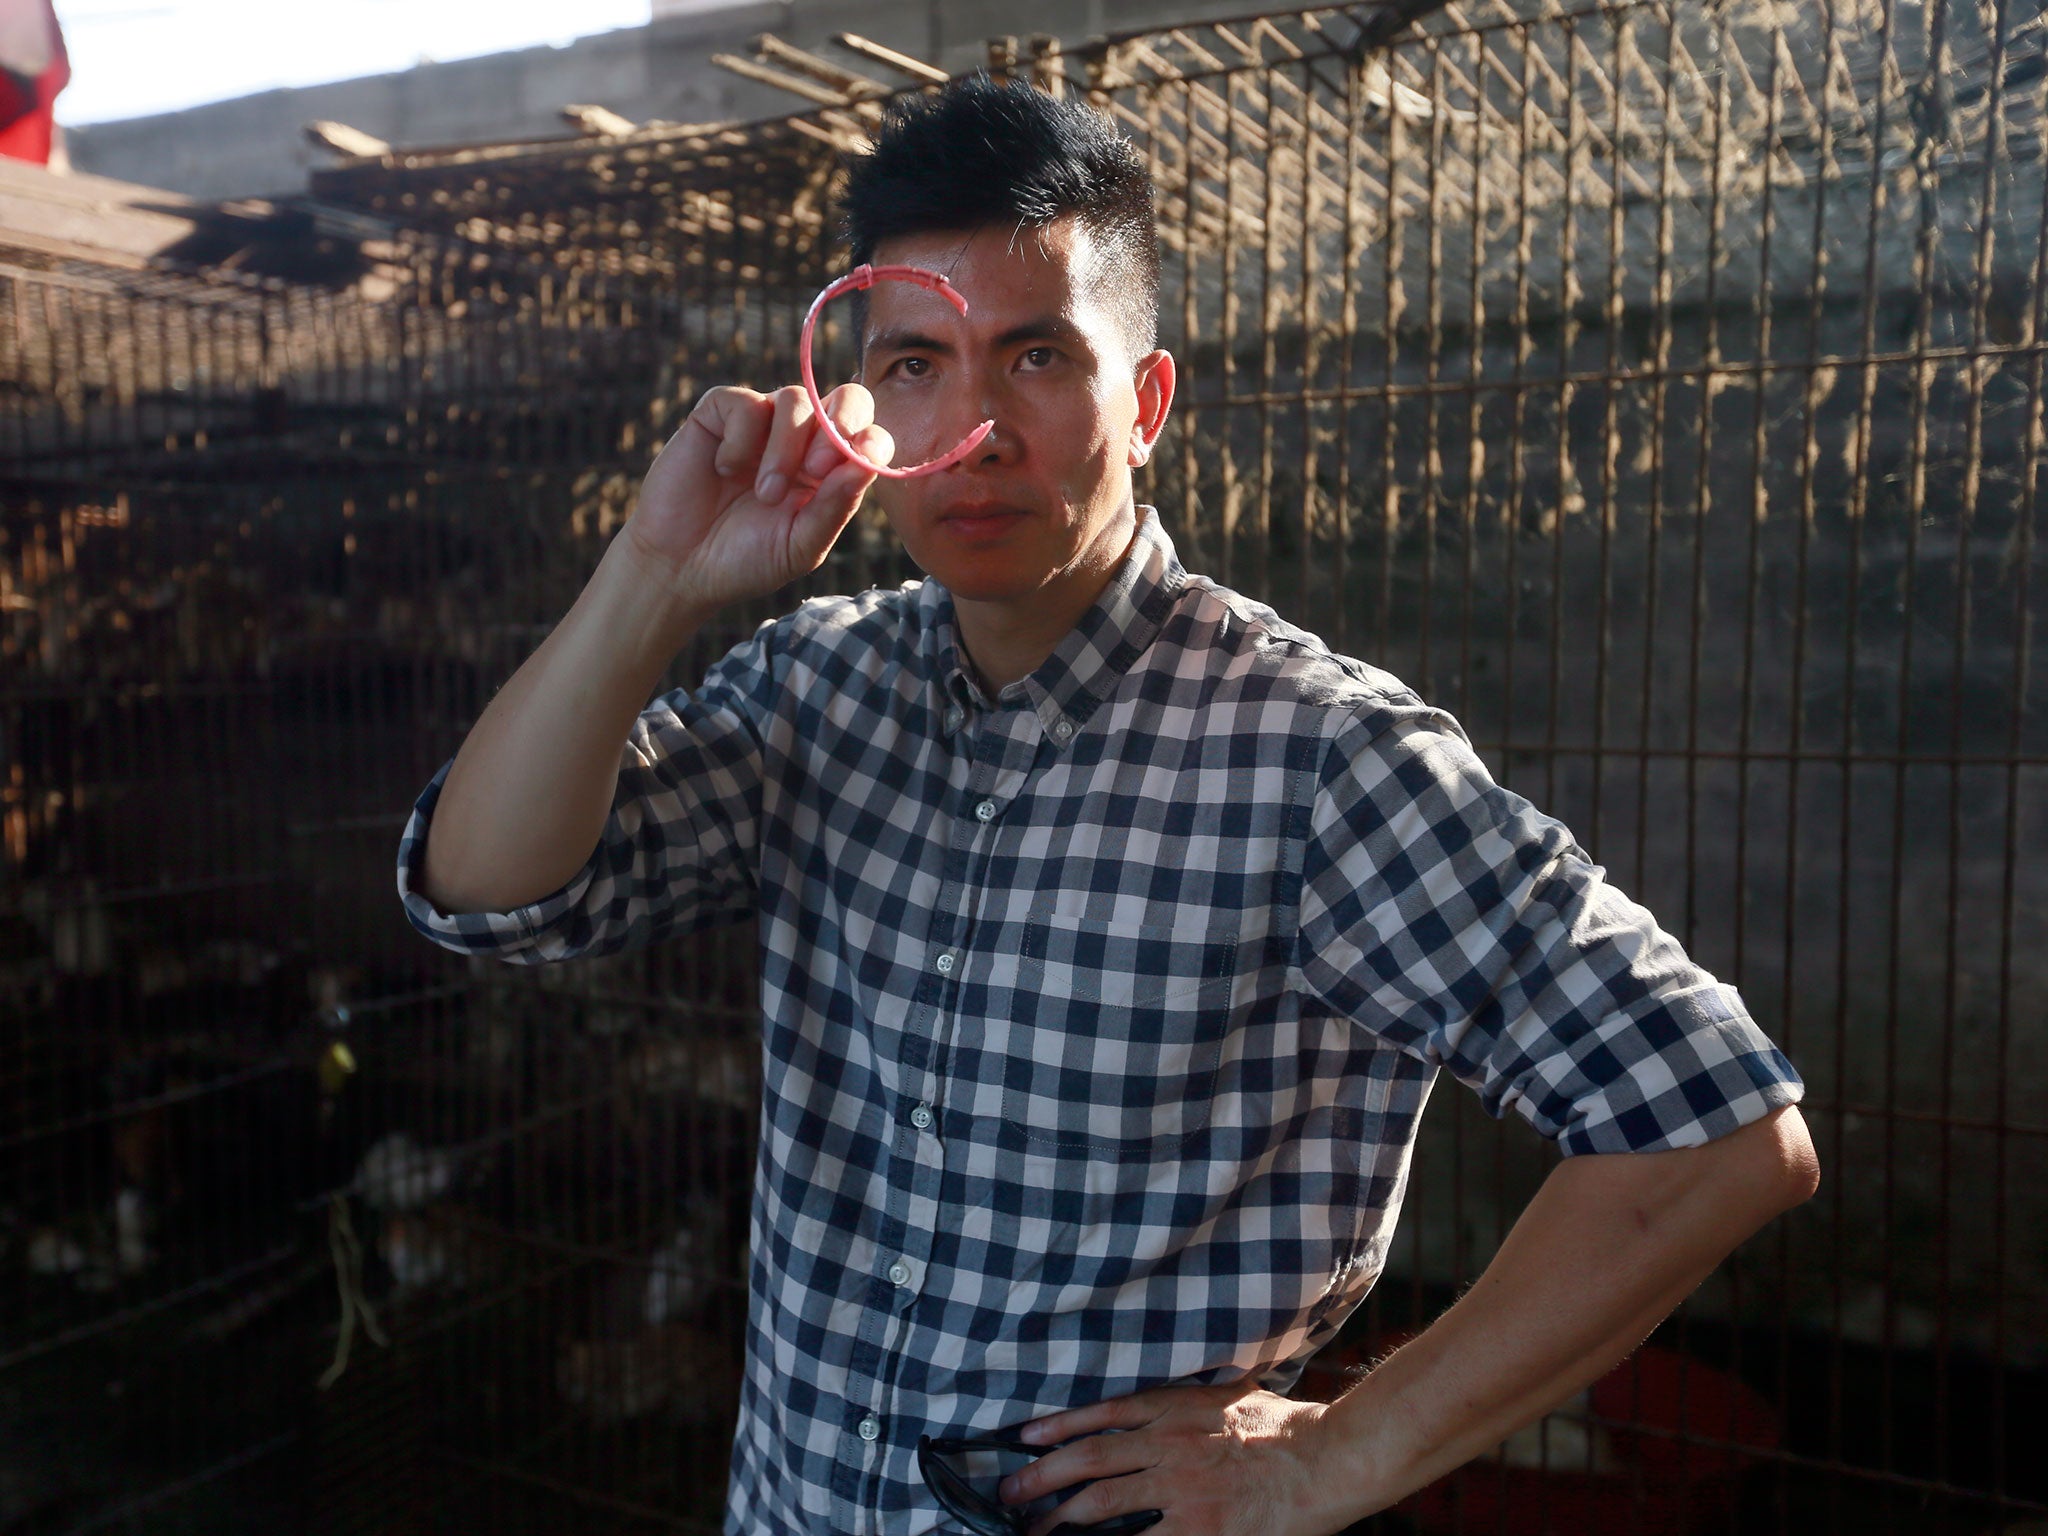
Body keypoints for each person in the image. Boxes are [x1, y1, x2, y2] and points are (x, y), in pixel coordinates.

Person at [398, 75, 1816, 1536]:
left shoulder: (1309, 753)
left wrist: (1332, 1456)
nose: (977, 427)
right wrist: (654, 577)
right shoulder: (816, 694)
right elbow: (496, 891)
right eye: (915, 367)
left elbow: (1713, 1131)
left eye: (1034, 358)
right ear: (863, 403)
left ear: (1144, 404)